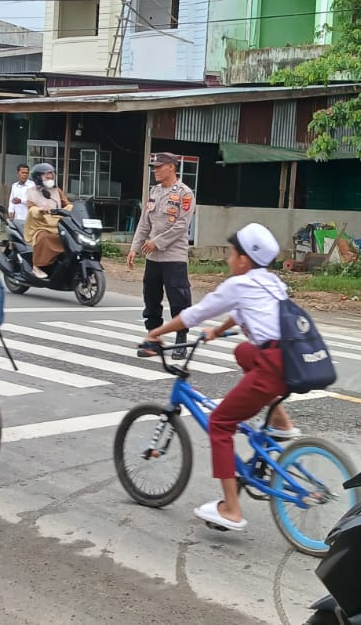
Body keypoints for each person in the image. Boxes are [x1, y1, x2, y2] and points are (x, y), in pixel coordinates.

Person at [142, 223, 299, 531]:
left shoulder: (237, 285)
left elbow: (193, 314)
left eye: (231, 253)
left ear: (243, 260)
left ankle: (231, 509)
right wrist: (219, 330)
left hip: (272, 367)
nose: (228, 258)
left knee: (220, 424)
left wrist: (156, 333)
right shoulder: (272, 282)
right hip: (293, 360)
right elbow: (244, 311)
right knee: (243, 352)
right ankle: (282, 426)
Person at [130, 152, 195, 358]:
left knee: (179, 300)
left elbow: (182, 226)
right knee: (151, 298)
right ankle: (153, 339)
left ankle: (181, 340)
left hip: (174, 257)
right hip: (153, 257)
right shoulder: (155, 191)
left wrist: (157, 243)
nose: (155, 170)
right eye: (154, 167)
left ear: (171, 167)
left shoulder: (185, 193)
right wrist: (135, 247)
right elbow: (144, 222)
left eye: (159, 166)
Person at [21, 163, 72, 280]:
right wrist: (40, 210)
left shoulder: (56, 190)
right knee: (43, 238)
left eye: (52, 176)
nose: (51, 179)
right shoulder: (31, 192)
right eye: (47, 177)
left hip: (57, 224)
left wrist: (72, 208)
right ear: (38, 178)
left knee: (68, 238)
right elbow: (31, 208)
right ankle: (36, 266)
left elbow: (67, 204)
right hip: (40, 225)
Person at [8, 164, 34, 230]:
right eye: (22, 173)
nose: (24, 175)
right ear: (18, 173)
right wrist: (11, 211)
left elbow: (34, 200)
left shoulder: (32, 185)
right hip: (17, 217)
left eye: (26, 173)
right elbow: (12, 200)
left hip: (28, 217)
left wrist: (21, 201)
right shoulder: (14, 186)